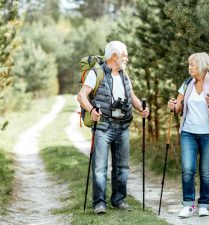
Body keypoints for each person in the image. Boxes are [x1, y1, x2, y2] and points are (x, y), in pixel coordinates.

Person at [77, 41, 149, 215]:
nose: (127, 58)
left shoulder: (124, 75)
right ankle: (99, 204)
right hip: (103, 127)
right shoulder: (96, 73)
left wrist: (142, 108)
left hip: (123, 126)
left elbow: (131, 96)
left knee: (122, 167)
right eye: (124, 55)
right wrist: (91, 109)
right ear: (114, 56)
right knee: (100, 167)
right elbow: (81, 96)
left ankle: (118, 200)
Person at [167, 52, 209, 218]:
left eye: (192, 65)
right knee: (188, 169)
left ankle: (203, 204)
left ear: (201, 65)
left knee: (206, 171)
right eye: (189, 65)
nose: (189, 68)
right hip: (188, 133)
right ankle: (188, 204)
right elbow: (178, 107)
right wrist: (173, 105)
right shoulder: (187, 83)